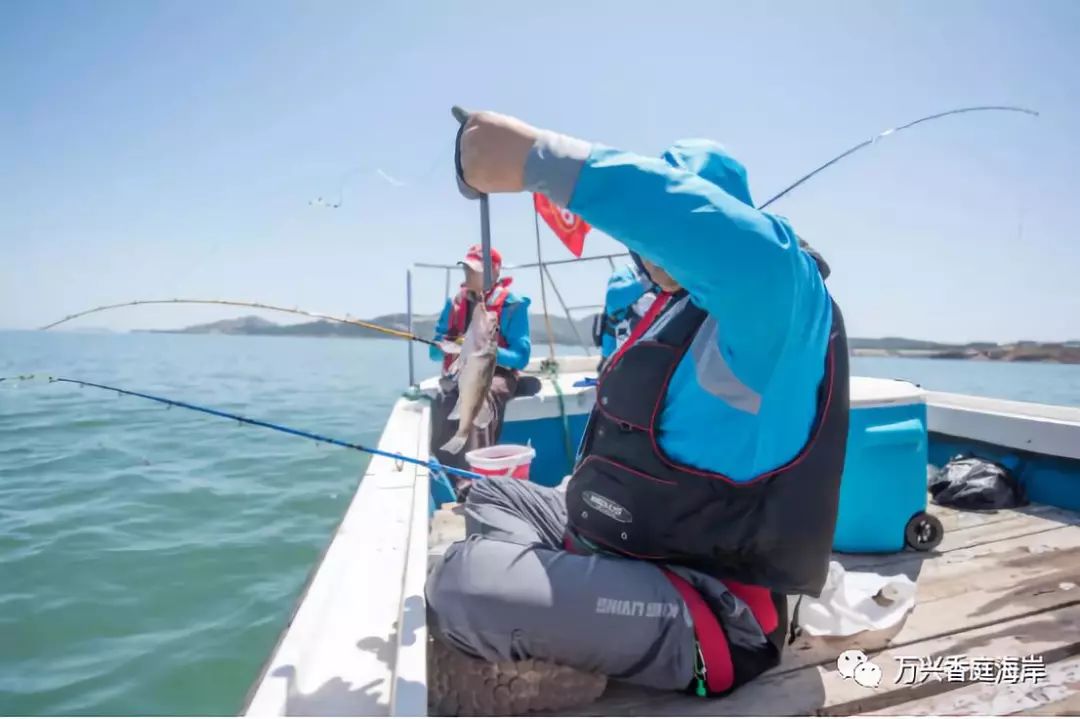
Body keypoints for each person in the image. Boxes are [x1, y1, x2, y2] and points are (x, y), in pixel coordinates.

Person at [427, 110, 849, 710]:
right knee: (488, 493)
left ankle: (568, 621)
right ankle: (572, 609)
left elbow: (728, 242)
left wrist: (536, 159)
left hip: (710, 606)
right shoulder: (667, 307)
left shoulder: (778, 302)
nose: (648, 247)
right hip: (613, 537)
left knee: (462, 583)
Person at [428, 244, 531, 482]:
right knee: (444, 399)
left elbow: (521, 357)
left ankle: (480, 481)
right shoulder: (454, 303)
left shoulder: (513, 305)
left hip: (497, 374)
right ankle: (449, 478)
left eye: (476, 270)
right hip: (462, 372)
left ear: (494, 272)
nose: (469, 275)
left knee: (480, 401)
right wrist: (442, 346)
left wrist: (486, 350)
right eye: (467, 269)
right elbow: (434, 354)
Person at [594, 262, 659, 363]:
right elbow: (614, 296)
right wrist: (651, 281)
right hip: (617, 356)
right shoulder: (627, 274)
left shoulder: (673, 275)